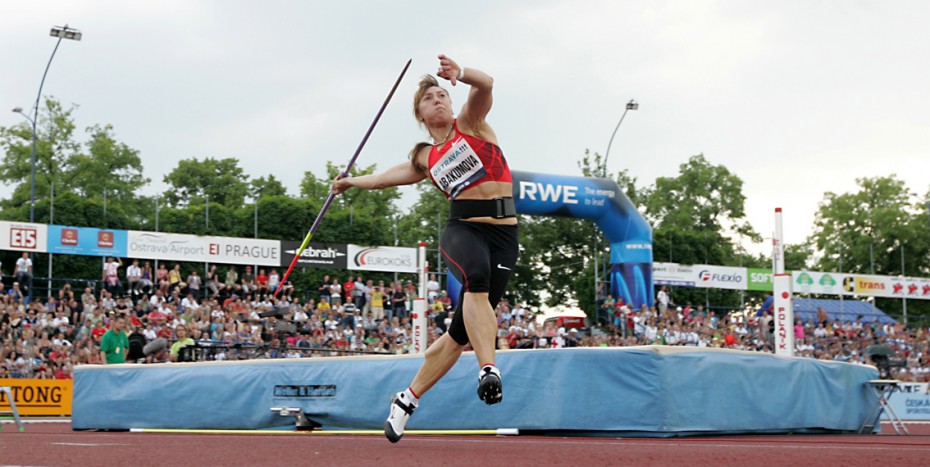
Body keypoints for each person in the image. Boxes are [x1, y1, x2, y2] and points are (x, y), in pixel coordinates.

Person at [332, 55, 518, 443]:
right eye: (429, 97)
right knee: (476, 279)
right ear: (420, 112)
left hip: (504, 235)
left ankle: (405, 400)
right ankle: (488, 371)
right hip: (463, 228)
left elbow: (485, 85)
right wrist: (349, 183)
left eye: (442, 94)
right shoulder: (424, 155)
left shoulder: (472, 124)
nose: (438, 99)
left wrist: (461, 74)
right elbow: (384, 179)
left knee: (459, 334)